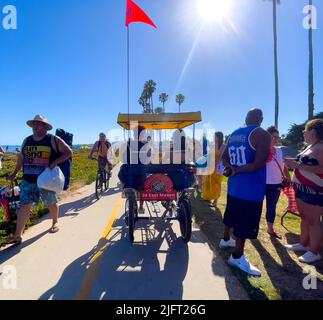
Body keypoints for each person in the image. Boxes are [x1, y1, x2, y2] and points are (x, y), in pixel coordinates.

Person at [2, 115, 72, 246]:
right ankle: (18, 235)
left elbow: (68, 152)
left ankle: (55, 221)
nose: (35, 126)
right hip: (28, 179)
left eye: (38, 124)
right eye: (34, 124)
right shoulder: (27, 140)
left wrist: (55, 162)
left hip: (46, 180)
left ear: (45, 127)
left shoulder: (52, 139)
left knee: (51, 202)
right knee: (25, 205)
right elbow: (21, 159)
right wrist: (14, 174)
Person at [220, 108, 271, 277]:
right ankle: (237, 256)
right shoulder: (262, 134)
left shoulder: (234, 133)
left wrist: (230, 169)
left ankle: (225, 240)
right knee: (244, 224)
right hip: (250, 188)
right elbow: (259, 163)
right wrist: (237, 170)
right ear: (261, 119)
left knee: (231, 216)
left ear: (246, 118)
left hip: (234, 186)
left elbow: (223, 156)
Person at [285, 119, 323, 264]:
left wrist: (297, 165)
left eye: (305, 130)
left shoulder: (321, 147)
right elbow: (306, 162)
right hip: (302, 189)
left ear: (313, 132)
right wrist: (294, 162)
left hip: (314, 191)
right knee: (305, 219)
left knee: (314, 221)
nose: (303, 133)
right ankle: (303, 244)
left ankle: (314, 252)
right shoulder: (311, 146)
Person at [265, 126, 291, 239]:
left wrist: (288, 177)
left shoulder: (279, 150)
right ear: (267, 137)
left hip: (276, 183)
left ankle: (270, 229)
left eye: (277, 137)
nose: (276, 139)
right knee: (255, 206)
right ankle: (251, 227)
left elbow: (283, 165)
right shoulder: (261, 149)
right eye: (273, 137)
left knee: (271, 207)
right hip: (261, 183)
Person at [202, 132, 226, 208]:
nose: (213, 138)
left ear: (219, 137)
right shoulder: (212, 145)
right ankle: (208, 197)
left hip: (219, 166)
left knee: (217, 183)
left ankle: (215, 201)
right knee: (209, 182)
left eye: (214, 136)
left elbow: (220, 157)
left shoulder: (223, 145)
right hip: (211, 165)